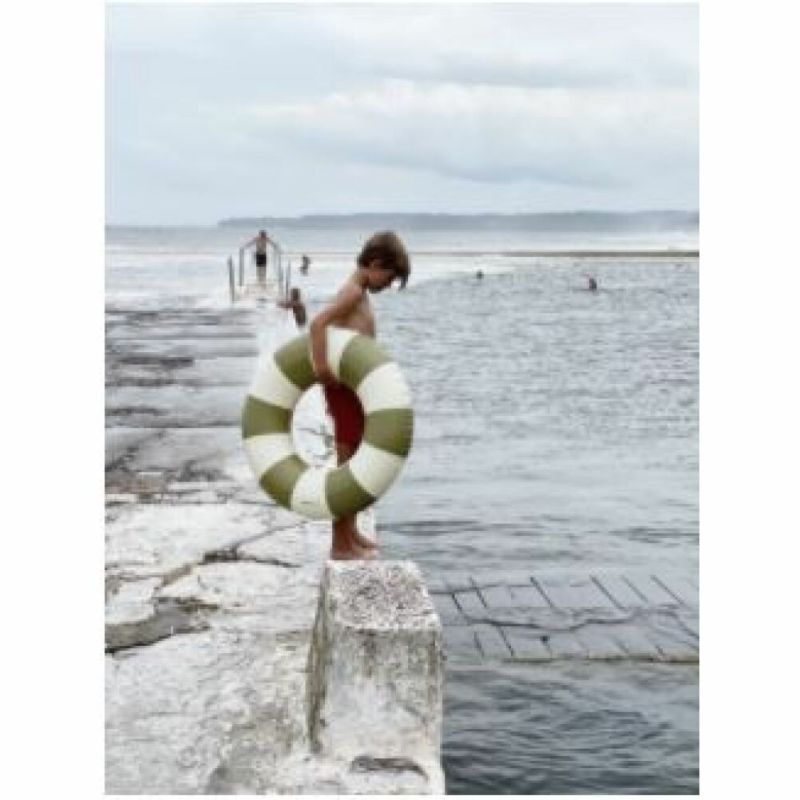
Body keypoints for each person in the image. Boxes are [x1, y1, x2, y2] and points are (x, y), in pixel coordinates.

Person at [309, 231, 411, 560]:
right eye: (389, 278)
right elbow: (318, 324)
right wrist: (321, 366)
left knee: (354, 459)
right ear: (375, 264)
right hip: (342, 389)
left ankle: (350, 532)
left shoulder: (360, 293)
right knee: (347, 464)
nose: (388, 285)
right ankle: (339, 544)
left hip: (354, 389)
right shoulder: (353, 293)